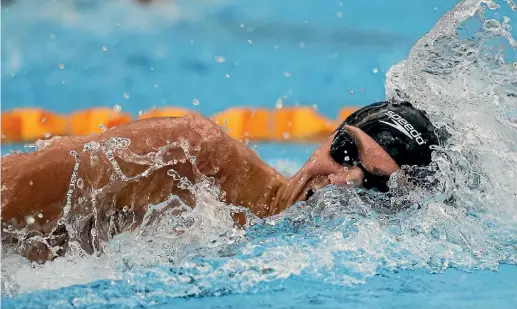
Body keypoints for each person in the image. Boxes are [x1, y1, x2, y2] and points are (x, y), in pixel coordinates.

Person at [1, 101, 440, 263]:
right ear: (328, 138)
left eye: (375, 184)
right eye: (345, 152)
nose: (343, 180)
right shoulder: (190, 156)